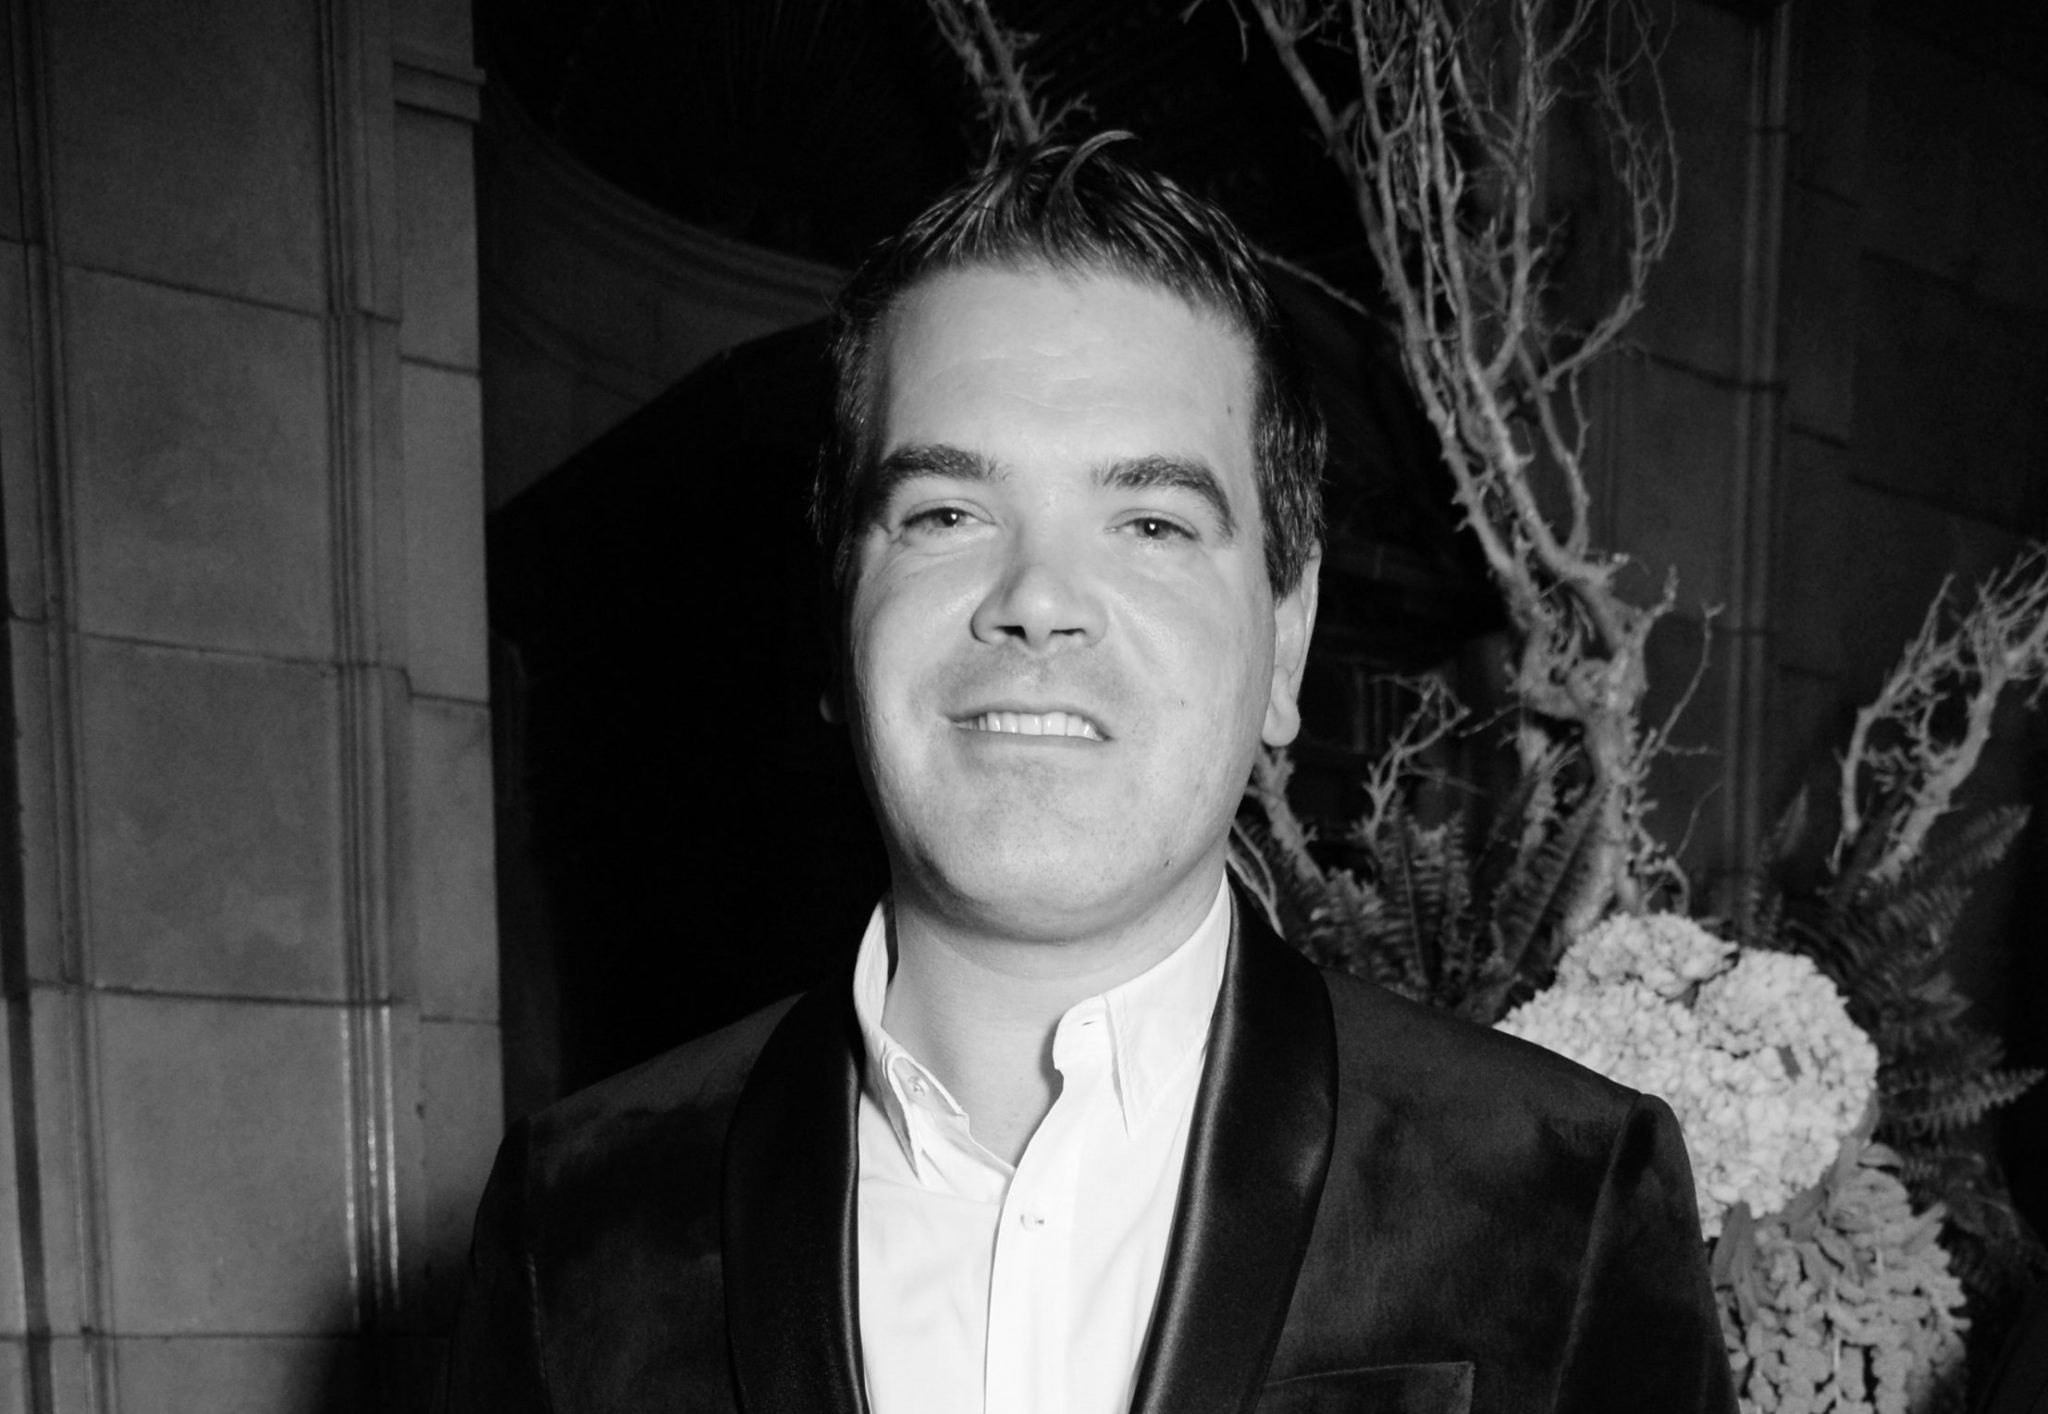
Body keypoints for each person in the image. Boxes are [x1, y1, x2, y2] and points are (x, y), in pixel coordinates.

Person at [441, 134, 1737, 1414]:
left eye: (1153, 522)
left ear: (1284, 639)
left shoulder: (1560, 1195)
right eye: (947, 512)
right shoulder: (575, 1224)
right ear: (839, 619)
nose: (1040, 599)